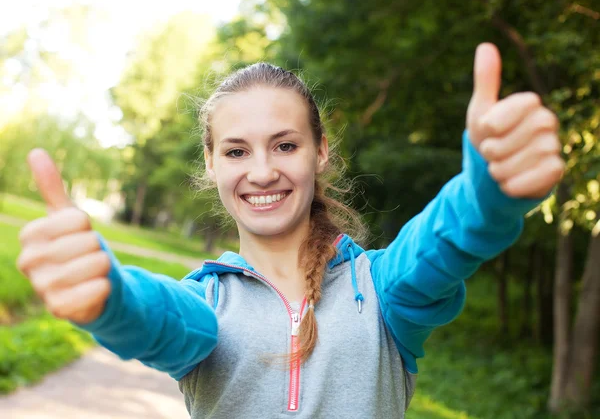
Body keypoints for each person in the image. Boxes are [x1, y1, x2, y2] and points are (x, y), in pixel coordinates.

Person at [16, 43, 564, 418]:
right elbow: (150, 315)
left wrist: (488, 193)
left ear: (320, 152)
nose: (261, 171)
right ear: (211, 164)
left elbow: (447, 240)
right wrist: (108, 295)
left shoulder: (382, 291)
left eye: (285, 144)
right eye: (236, 151)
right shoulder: (205, 305)